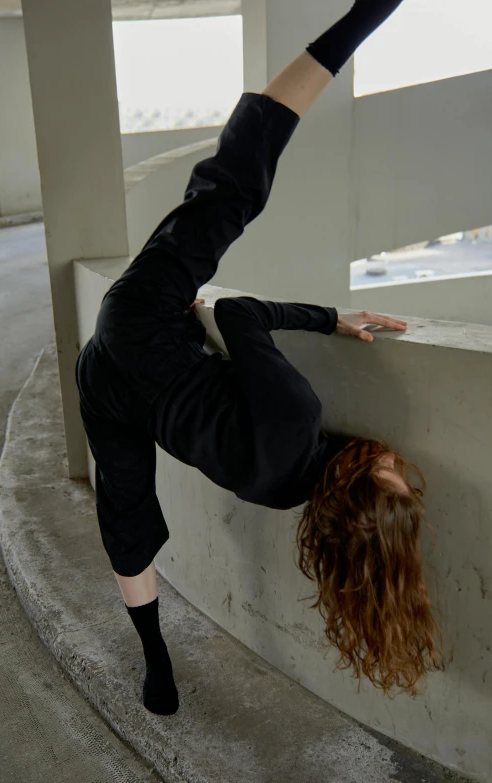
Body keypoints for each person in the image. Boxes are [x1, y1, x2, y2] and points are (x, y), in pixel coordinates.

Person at [75, 0, 443, 716]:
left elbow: (237, 313)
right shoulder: (282, 494)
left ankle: (369, 12)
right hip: (112, 385)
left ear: (365, 476)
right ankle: (157, 668)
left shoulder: (298, 421)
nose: (398, 460)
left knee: (234, 187)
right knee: (126, 514)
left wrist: (330, 318)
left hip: (144, 320)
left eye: (392, 474)